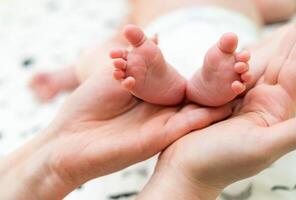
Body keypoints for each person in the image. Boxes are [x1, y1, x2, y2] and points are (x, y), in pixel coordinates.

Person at [2, 23, 296, 199]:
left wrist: (66, 75)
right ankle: (208, 83)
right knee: (114, 60)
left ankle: (207, 81)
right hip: (212, 54)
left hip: (202, 56)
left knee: (111, 54)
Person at [29, 0, 296, 102]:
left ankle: (209, 85)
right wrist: (65, 75)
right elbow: (121, 41)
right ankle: (161, 82)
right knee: (114, 56)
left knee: (282, 40)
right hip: (160, 54)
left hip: (233, 54)